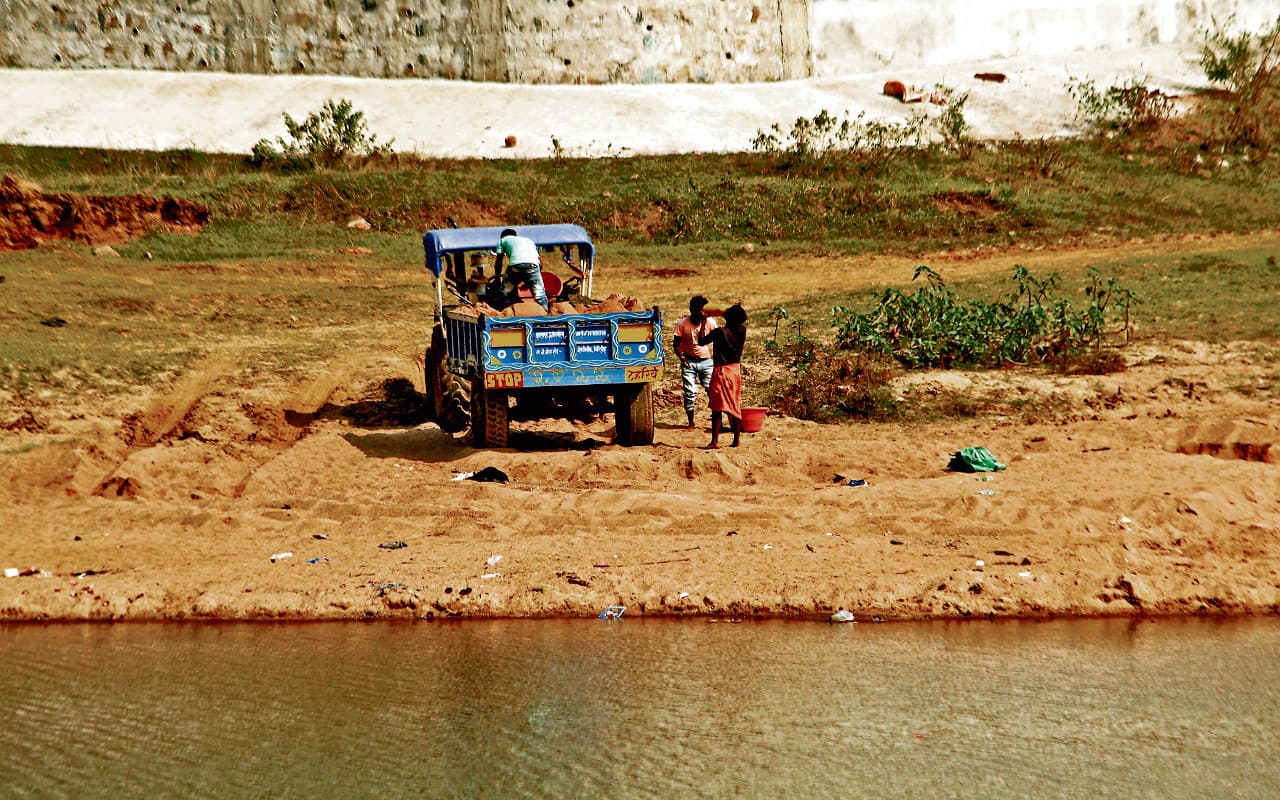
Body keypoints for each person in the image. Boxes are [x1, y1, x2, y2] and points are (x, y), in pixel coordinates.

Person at [698, 304, 747, 448]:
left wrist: (704, 321)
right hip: (735, 370)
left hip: (721, 372)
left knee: (717, 407)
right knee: (734, 404)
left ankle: (714, 441)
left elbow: (701, 341)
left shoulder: (720, 332)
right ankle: (736, 440)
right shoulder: (742, 330)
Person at [672, 295, 718, 429]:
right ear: (691, 310)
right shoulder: (682, 324)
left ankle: (716, 419)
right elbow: (676, 344)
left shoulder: (711, 323)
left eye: (704, 312)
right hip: (689, 362)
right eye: (699, 311)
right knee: (689, 392)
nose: (702, 315)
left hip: (708, 361)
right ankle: (691, 422)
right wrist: (682, 358)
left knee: (711, 390)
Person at [493, 227, 548, 310]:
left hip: (515, 266)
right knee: (539, 293)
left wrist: (497, 278)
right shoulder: (529, 241)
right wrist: (530, 280)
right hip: (533, 266)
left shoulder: (502, 240)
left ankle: (506, 312)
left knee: (505, 292)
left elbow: (499, 261)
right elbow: (540, 263)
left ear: (502, 236)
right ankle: (545, 312)